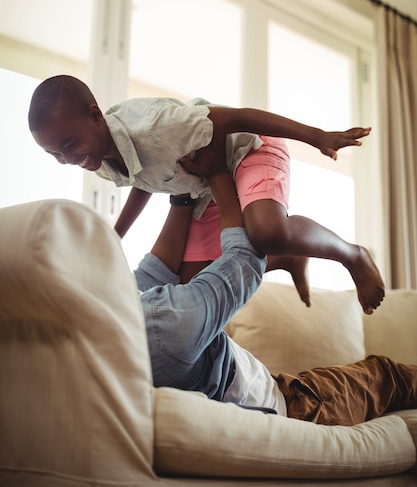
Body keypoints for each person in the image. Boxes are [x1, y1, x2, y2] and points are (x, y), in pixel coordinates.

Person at [28, 74, 385, 314]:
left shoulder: (157, 125)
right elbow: (143, 179)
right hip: (204, 183)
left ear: (95, 116)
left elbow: (239, 117)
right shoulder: (98, 158)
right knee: (193, 285)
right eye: (54, 155)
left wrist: (316, 136)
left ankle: (353, 255)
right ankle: (285, 259)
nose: (66, 160)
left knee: (266, 231)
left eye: (69, 146)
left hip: (246, 149)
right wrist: (113, 236)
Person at [136, 137, 416, 425]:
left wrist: (183, 190)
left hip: (257, 380)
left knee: (188, 280)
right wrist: (216, 170)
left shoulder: (121, 317)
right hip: (293, 406)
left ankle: (286, 258)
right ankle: (345, 255)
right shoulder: (164, 330)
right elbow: (244, 256)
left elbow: (155, 272)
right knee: (389, 376)